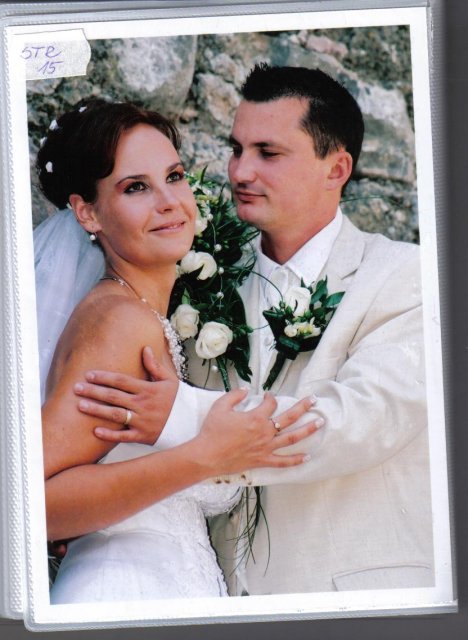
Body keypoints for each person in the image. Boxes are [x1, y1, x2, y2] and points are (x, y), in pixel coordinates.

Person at [76, 64, 434, 595]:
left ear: (337, 168)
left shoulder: (409, 277)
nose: (241, 171)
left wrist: (180, 413)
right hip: (213, 595)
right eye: (236, 149)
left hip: (353, 600)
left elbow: (355, 423)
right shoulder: (198, 276)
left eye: (268, 153)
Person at [35, 98, 320, 603]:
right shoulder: (119, 321)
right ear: (87, 212)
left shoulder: (142, 315)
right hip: (120, 593)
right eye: (136, 187)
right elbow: (32, 502)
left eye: (175, 176)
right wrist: (203, 456)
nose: (169, 201)